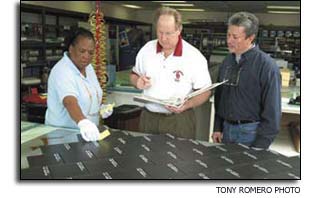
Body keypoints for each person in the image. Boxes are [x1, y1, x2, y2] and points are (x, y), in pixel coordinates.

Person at [130, 7, 212, 139]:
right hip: (149, 118)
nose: (163, 38)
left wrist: (187, 105)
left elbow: (206, 91)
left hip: (179, 120)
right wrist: (137, 82)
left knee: (179, 158)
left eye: (168, 33)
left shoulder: (194, 56)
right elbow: (134, 75)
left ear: (179, 30)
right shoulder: (146, 50)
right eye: (160, 32)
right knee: (145, 156)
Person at [212, 12, 281, 149]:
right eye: (228, 35)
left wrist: (260, 145)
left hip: (251, 133)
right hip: (226, 130)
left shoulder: (266, 66)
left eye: (235, 37)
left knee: (247, 170)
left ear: (250, 38)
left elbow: (272, 111)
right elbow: (220, 97)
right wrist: (218, 126)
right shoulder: (227, 61)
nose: (229, 40)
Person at [45, 27, 113, 142]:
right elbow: (69, 101)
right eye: (82, 51)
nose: (86, 56)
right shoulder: (62, 70)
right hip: (63, 136)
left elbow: (91, 93)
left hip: (86, 135)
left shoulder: (88, 67)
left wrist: (99, 108)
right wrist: (83, 122)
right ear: (71, 49)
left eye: (90, 52)